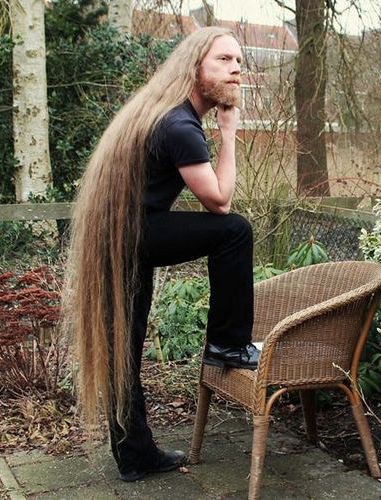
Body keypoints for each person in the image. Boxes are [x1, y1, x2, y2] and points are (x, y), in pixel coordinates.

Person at [64, 26, 260, 484]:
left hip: (122, 240)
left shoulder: (163, 114)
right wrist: (229, 134)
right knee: (233, 230)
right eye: (224, 61)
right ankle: (228, 343)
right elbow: (219, 201)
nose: (236, 70)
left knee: (122, 348)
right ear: (196, 68)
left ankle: (135, 454)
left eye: (238, 62)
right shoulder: (179, 125)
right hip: (132, 236)